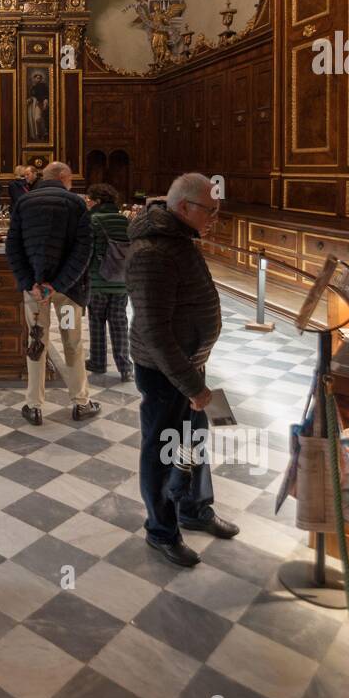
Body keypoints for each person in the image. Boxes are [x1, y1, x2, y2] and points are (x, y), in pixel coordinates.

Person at [125, 172, 240, 568]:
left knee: (193, 439)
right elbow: (153, 329)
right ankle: (161, 530)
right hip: (164, 372)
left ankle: (194, 508)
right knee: (161, 449)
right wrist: (191, 384)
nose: (214, 219)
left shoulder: (176, 238)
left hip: (186, 366)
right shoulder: (154, 251)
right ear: (184, 207)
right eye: (211, 211)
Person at [6, 160, 100, 426]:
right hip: (68, 292)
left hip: (35, 293)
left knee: (37, 343)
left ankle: (34, 405)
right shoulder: (76, 204)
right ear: (64, 177)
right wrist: (57, 285)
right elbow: (84, 251)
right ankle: (81, 403)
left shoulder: (25, 203)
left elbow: (13, 248)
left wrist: (31, 283)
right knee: (72, 343)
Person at [85, 182, 133, 381]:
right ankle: (125, 367)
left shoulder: (93, 220)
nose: (87, 202)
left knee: (96, 321)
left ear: (97, 201)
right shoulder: (125, 220)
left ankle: (98, 362)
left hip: (98, 280)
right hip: (122, 281)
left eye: (89, 199)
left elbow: (87, 251)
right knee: (119, 322)